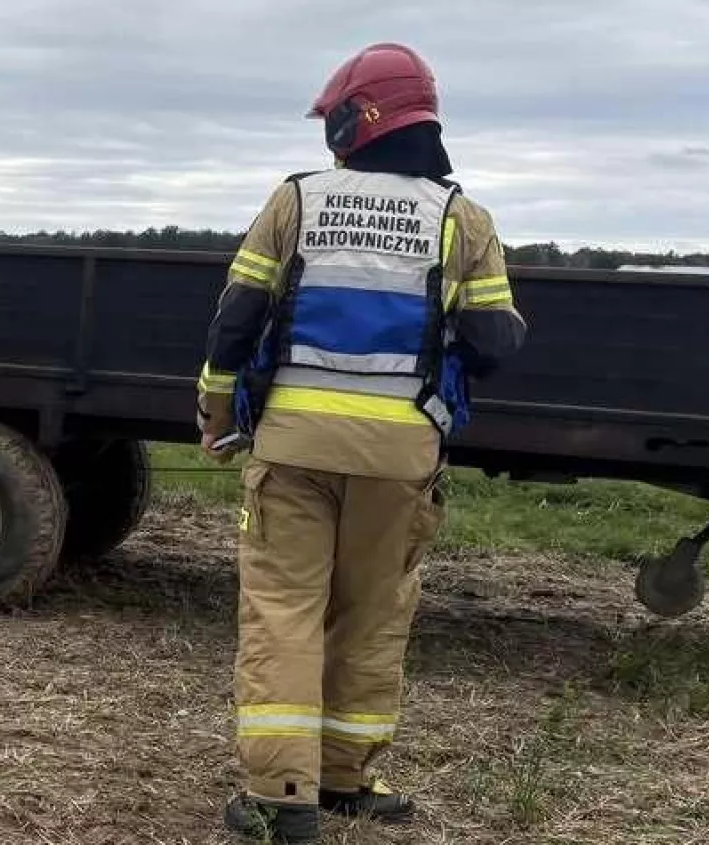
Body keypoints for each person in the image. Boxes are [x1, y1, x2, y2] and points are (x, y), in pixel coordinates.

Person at [196, 42, 528, 843]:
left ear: (354, 120)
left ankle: (281, 796)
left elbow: (236, 319)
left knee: (284, 611)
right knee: (373, 615)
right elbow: (494, 342)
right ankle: (347, 778)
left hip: (294, 451)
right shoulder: (462, 219)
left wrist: (216, 410)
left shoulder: (295, 201)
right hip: (400, 460)